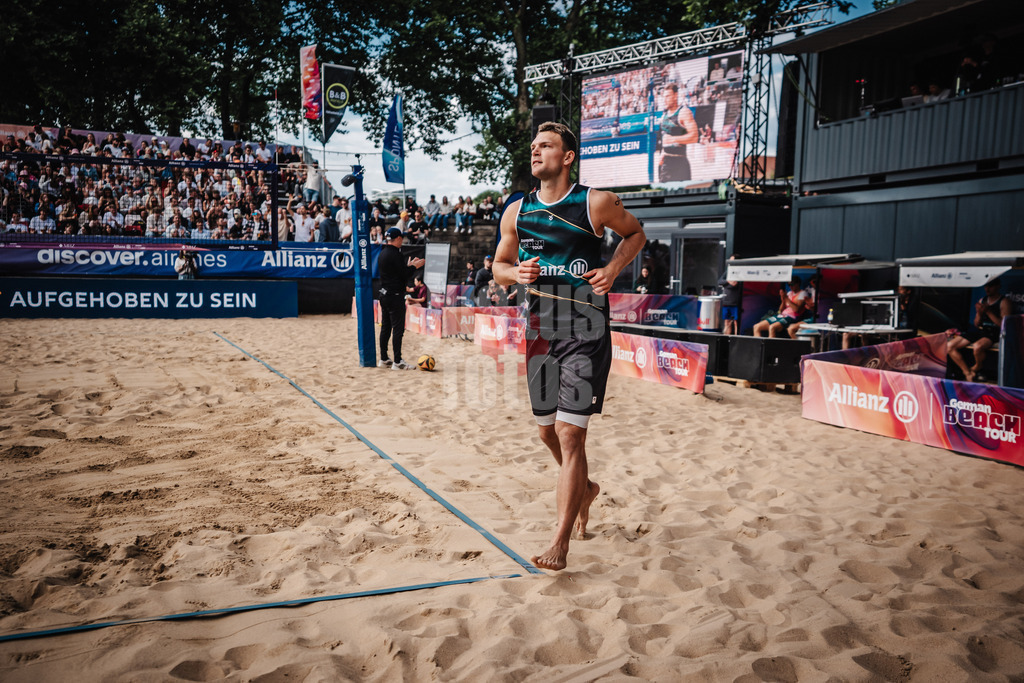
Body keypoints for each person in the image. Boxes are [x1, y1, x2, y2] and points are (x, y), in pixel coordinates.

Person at [493, 121, 646, 571]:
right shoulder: (516, 212)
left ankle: (559, 542)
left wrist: (613, 269)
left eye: (546, 145)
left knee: (569, 433)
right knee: (546, 431)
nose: (536, 151)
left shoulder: (595, 202)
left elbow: (636, 234)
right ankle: (586, 488)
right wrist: (514, 273)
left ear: (567, 157)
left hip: (586, 330)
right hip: (540, 332)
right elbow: (499, 266)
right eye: (534, 146)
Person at [377, 226, 425, 370]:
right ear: (398, 238)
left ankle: (384, 358)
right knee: (398, 329)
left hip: (384, 294)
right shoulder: (395, 254)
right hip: (395, 296)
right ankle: (397, 361)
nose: (402, 241)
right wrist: (415, 267)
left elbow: (397, 273)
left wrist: (408, 265)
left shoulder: (382, 253)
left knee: (385, 327)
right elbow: (404, 275)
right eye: (401, 238)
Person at [948, 277, 1013, 382]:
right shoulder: (982, 300)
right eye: (986, 286)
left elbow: (1003, 325)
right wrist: (979, 313)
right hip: (982, 330)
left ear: (998, 286)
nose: (987, 289)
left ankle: (978, 366)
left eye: (990, 286)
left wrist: (988, 312)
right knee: (950, 346)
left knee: (977, 347)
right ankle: (967, 372)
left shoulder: (1004, 302)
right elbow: (976, 324)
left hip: (995, 332)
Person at [658, 83, 699, 182]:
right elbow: (665, 138)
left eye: (668, 96)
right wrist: (662, 154)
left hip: (679, 163)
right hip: (665, 163)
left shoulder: (683, 112)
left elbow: (694, 136)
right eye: (664, 97)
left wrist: (673, 139)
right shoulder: (664, 115)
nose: (665, 100)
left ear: (675, 96)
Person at [718, 255, 741, 335]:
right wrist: (728, 281)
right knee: (726, 322)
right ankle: (726, 337)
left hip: (735, 302)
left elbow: (735, 284)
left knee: (736, 322)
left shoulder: (740, 272)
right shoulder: (728, 271)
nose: (730, 262)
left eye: (732, 261)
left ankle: (737, 338)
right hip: (726, 302)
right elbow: (720, 281)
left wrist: (726, 284)